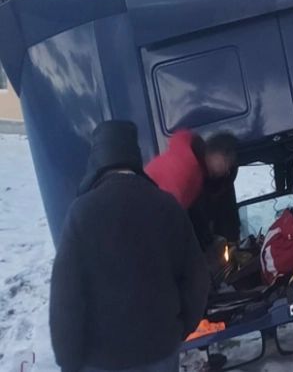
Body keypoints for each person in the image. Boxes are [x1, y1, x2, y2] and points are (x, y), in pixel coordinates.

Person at [50, 121, 209, 372]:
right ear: (135, 158)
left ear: (97, 163)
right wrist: (178, 329)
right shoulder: (166, 205)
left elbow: (66, 296)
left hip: (102, 359)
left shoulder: (81, 213)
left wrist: (68, 360)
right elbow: (197, 278)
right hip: (160, 349)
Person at [145, 130, 241, 247]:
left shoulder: (196, 170)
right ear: (219, 155)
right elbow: (165, 216)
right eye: (227, 163)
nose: (226, 171)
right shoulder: (183, 168)